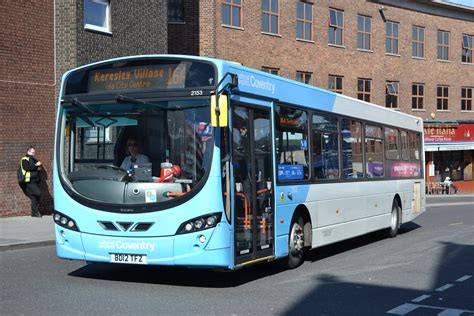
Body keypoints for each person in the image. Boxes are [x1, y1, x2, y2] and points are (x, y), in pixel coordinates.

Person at [20, 146, 42, 217]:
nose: (33, 154)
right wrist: (36, 165)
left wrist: (39, 166)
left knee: (34, 196)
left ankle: (34, 212)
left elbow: (39, 167)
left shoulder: (34, 159)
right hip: (29, 181)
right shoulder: (24, 159)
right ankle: (35, 211)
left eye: (34, 152)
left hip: (35, 180)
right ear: (28, 151)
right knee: (38, 193)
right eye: (32, 152)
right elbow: (27, 168)